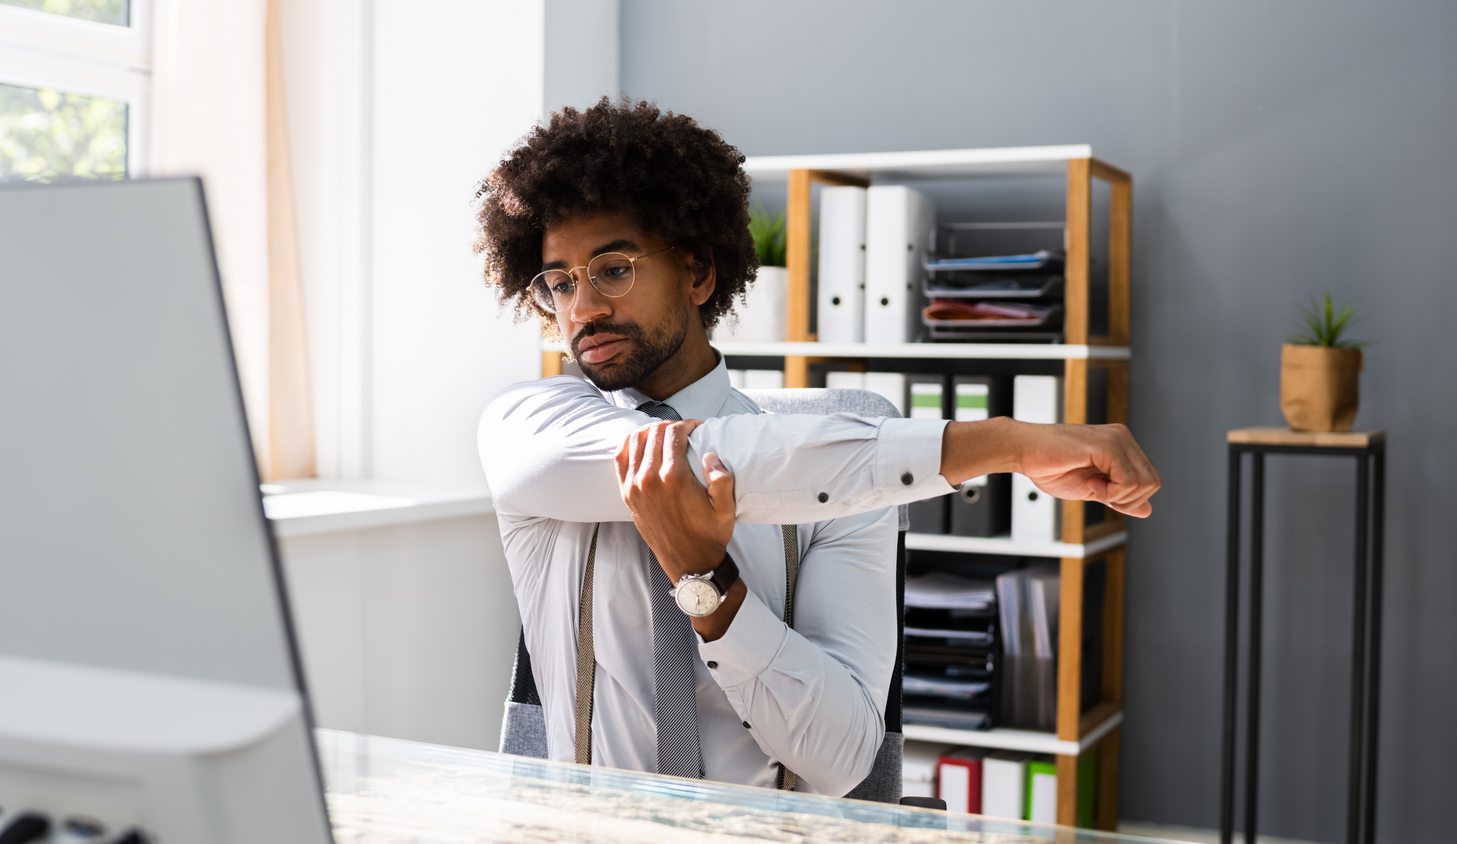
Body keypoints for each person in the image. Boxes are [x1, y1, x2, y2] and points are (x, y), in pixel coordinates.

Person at [475, 98, 1160, 796]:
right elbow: (711, 457)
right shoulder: (526, 426)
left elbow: (843, 761)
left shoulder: (851, 485)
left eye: (613, 269)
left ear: (698, 273)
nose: (582, 309)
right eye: (560, 283)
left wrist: (711, 588)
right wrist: (1005, 443)